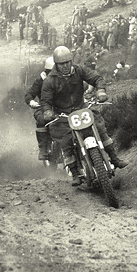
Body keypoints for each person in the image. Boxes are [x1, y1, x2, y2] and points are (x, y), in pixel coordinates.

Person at [40, 46, 128, 186]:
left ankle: (114, 158)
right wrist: (48, 111)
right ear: (56, 64)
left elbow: (96, 78)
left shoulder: (79, 70)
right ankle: (75, 172)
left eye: (68, 62)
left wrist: (100, 91)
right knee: (66, 141)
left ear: (71, 61)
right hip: (63, 115)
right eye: (62, 63)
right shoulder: (50, 80)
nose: (65, 66)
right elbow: (45, 100)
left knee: (100, 127)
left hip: (82, 108)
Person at [24, 57, 55, 161]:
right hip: (45, 107)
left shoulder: (66, 78)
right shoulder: (40, 80)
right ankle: (43, 149)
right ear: (47, 71)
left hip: (63, 106)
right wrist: (31, 102)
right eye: (51, 71)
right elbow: (30, 93)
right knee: (41, 119)